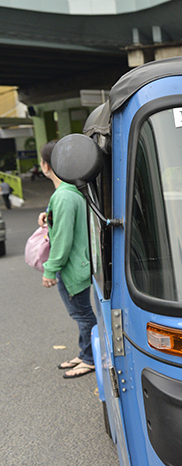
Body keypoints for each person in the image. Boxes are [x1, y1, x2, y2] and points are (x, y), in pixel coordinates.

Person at [38, 140, 97, 379]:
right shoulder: (72, 191)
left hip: (73, 267)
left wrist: (50, 269)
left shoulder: (63, 196)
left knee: (83, 315)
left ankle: (91, 358)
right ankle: (85, 354)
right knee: (82, 313)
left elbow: (62, 240)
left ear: (46, 166)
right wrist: (47, 215)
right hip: (82, 264)